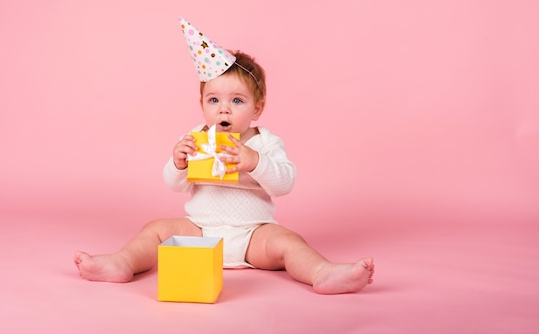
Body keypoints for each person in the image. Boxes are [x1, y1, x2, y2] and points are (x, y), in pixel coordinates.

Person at [74, 18, 374, 294]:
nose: (224, 109)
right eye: (214, 100)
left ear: (257, 109)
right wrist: (178, 163)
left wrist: (255, 162)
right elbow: (174, 184)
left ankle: (322, 273)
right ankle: (122, 263)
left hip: (252, 235)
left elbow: (285, 184)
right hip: (200, 232)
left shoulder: (265, 143)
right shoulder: (195, 138)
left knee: (290, 242)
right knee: (155, 230)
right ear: (202, 103)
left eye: (237, 101)